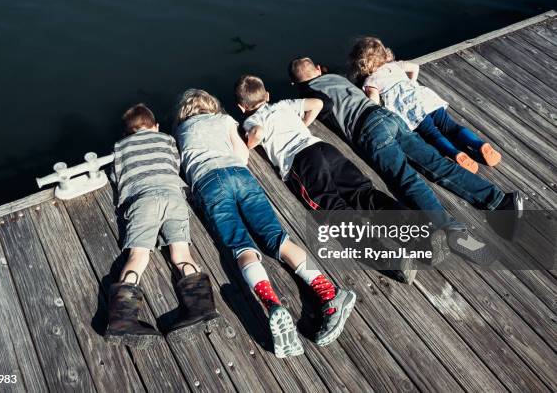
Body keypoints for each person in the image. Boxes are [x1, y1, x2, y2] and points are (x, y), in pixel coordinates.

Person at [174, 89, 356, 357]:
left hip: (208, 183)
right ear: (212, 105)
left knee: (240, 246)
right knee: (278, 238)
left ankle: (271, 303)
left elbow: (184, 168)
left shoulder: (180, 131)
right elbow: (242, 154)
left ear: (184, 113)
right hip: (240, 175)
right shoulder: (224, 120)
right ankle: (329, 292)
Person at [289, 57, 523, 263]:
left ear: (295, 84)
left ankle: (452, 231)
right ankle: (499, 201)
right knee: (437, 165)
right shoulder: (335, 77)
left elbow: (323, 104)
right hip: (387, 116)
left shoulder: (310, 92)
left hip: (368, 131)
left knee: (406, 179)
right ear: (319, 68)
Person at [235, 74, 425, 282]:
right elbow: (316, 103)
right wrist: (304, 124)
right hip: (323, 148)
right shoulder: (284, 104)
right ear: (267, 95)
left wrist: (250, 141)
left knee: (333, 209)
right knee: (364, 193)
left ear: (242, 107)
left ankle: (392, 261)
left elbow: (258, 133)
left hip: (302, 162)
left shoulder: (250, 120)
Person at [105, 103, 219, 349]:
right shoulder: (165, 139)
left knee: (138, 256)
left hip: (142, 202)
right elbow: (175, 162)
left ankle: (122, 320)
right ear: (155, 126)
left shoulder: (119, 147)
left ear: (127, 132)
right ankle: (201, 308)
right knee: (181, 254)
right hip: (173, 197)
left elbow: (116, 176)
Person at [347, 37, 501, 174]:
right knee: (451, 126)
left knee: (433, 135)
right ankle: (480, 145)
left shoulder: (370, 82)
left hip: (410, 109)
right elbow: (415, 67)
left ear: (361, 65)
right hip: (425, 98)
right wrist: (412, 83)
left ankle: (456, 154)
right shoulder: (395, 65)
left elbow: (373, 100)